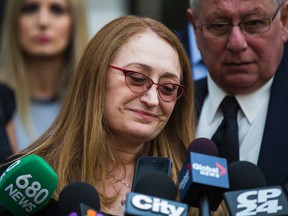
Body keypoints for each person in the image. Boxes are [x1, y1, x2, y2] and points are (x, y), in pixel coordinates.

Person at [1, 15, 195, 215]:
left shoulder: (192, 190)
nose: (153, 100)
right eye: (136, 78)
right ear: (96, 75)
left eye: (168, 88)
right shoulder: (30, 183)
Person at [188, 0, 288, 187]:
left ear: (284, 20)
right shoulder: (167, 106)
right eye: (218, 26)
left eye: (254, 23)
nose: (236, 43)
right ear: (195, 28)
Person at [0, 0, 89, 150]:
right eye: (30, 9)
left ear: (75, 21)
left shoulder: (95, 100)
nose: (43, 22)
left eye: (57, 10)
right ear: (14, 19)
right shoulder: (3, 102)